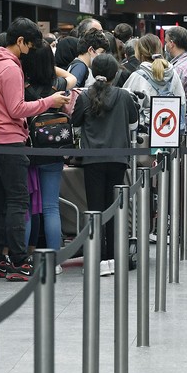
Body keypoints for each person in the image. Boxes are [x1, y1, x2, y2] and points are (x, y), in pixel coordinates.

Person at [0, 18, 71, 281]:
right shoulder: (10, 68)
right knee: (17, 202)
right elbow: (16, 109)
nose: (31, 52)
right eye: (30, 46)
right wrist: (50, 101)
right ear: (20, 41)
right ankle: (19, 261)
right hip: (10, 141)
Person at [73, 54, 138, 277]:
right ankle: (113, 257)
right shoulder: (124, 95)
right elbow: (134, 122)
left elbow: (75, 122)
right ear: (115, 74)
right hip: (119, 158)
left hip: (92, 160)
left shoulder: (84, 96)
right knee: (113, 209)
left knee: (95, 209)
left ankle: (97, 258)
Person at [23, 40, 76, 275]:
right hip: (53, 152)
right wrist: (50, 65)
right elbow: (72, 77)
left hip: (27, 152)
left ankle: (23, 259)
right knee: (51, 206)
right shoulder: (59, 85)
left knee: (26, 207)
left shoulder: (23, 86)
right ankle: (55, 262)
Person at [122, 34, 186, 122]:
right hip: (170, 130)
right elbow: (182, 103)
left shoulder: (137, 77)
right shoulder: (173, 73)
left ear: (139, 52)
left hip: (145, 132)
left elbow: (126, 107)